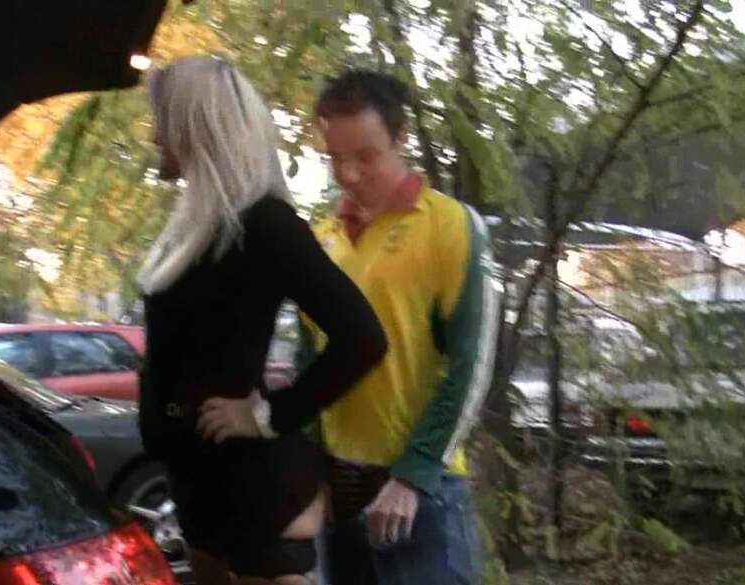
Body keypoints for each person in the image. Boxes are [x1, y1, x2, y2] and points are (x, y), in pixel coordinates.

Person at [136, 57, 387, 585]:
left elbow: (363, 337)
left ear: (194, 128)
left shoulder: (266, 225)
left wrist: (270, 416)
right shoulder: (196, 228)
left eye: (163, 120)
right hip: (202, 491)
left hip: (254, 500)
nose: (156, 134)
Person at [304, 70, 502, 585]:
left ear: (400, 138)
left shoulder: (450, 226)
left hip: (421, 497)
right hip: (337, 496)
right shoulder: (321, 239)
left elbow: (472, 363)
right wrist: (308, 468)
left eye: (365, 156)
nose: (348, 174)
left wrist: (414, 474)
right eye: (335, 158)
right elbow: (310, 368)